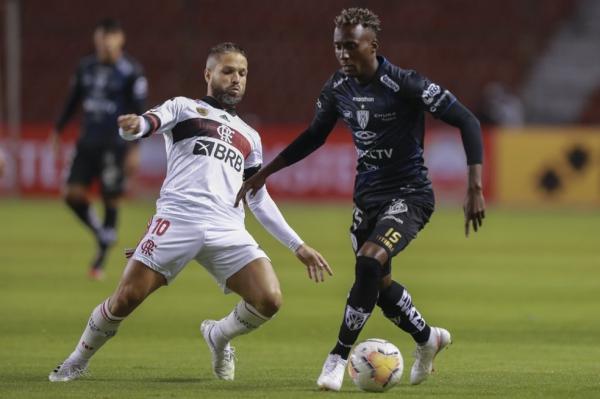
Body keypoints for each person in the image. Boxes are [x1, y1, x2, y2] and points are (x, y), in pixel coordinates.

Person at [48, 42, 332, 383]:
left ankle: (219, 336)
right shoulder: (184, 108)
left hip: (227, 227)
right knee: (126, 298)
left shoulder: (250, 136)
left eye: (242, 73)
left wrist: (298, 245)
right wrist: (132, 126)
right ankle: (76, 360)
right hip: (178, 220)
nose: (236, 79)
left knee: (269, 299)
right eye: (228, 71)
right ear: (208, 74)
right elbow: (148, 123)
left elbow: (256, 197)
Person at [236, 8, 485, 390]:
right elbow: (314, 136)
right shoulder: (337, 88)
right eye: (338, 47)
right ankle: (427, 338)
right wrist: (266, 172)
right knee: (378, 288)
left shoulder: (406, 84)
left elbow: (468, 120)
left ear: (373, 45)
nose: (343, 55)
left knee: (368, 264)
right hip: (367, 198)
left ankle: (336, 357)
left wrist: (474, 187)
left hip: (410, 195)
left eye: (351, 46)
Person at [50, 18, 148, 280]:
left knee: (111, 196)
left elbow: (140, 113)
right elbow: (73, 101)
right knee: (71, 195)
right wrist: (58, 129)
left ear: (120, 40)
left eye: (110, 37)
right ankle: (102, 233)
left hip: (115, 145)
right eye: (101, 38)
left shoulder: (131, 72)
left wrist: (135, 148)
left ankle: (100, 260)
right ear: (96, 40)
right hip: (87, 142)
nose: (105, 43)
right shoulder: (86, 68)